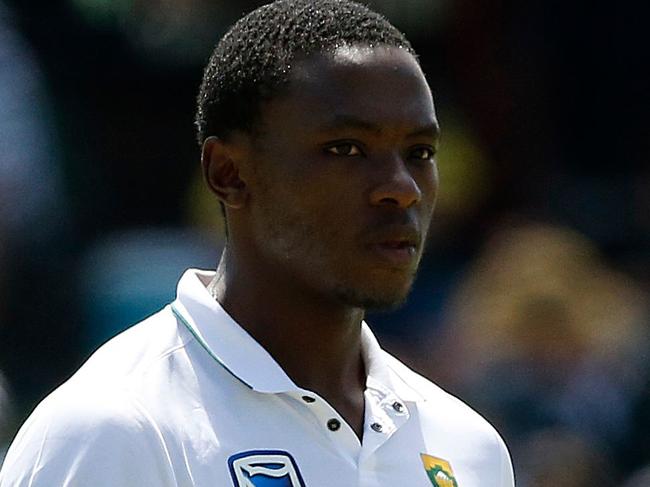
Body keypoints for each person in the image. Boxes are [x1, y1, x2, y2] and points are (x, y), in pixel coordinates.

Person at [0, 1, 514, 485]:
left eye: (420, 152)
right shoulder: (114, 428)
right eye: (346, 149)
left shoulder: (468, 447)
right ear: (229, 173)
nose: (400, 187)